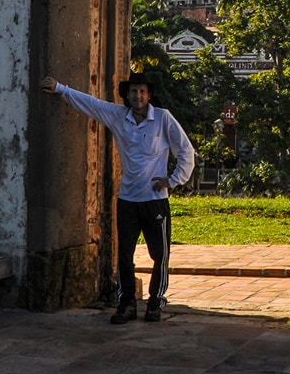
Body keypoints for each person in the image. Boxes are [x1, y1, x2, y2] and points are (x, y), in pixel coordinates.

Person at [40, 70, 195, 324]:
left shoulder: (163, 119)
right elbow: (92, 105)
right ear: (128, 94)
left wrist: (174, 180)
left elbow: (186, 151)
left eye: (143, 91)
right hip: (128, 200)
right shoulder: (118, 116)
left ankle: (156, 302)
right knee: (125, 254)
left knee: (160, 255)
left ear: (149, 95)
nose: (139, 95)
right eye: (134, 91)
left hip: (155, 200)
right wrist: (60, 88)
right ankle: (127, 305)